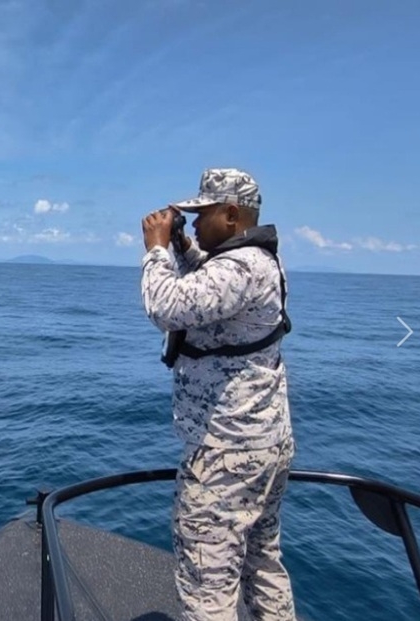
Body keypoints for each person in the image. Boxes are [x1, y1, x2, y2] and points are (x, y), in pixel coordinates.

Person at [140, 168, 296, 621]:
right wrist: (182, 246)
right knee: (261, 562)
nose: (196, 220)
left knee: (207, 582)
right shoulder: (259, 260)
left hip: (225, 454)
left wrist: (155, 250)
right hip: (264, 444)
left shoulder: (241, 267)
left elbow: (166, 307)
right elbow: (209, 287)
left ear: (230, 214)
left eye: (202, 213)